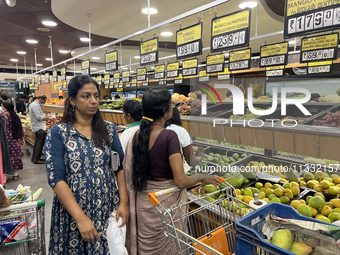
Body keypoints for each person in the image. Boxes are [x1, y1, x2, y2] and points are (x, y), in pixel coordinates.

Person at [123, 89, 220, 255]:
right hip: (165, 207)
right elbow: (180, 181)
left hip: (145, 205)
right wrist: (201, 178)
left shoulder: (138, 135)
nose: (173, 107)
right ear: (164, 110)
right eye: (171, 105)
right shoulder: (169, 136)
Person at [44, 75, 129, 255]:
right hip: (73, 212)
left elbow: (119, 168)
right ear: (72, 100)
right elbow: (56, 179)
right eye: (86, 96)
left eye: (96, 96)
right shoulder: (58, 133)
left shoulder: (108, 130)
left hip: (106, 208)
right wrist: (81, 218)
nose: (93, 101)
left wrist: (124, 203)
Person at [29, 95, 56, 164]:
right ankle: (36, 159)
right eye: (44, 101)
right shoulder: (35, 105)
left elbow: (40, 115)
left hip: (38, 126)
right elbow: (39, 117)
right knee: (39, 144)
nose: (44, 102)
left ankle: (34, 157)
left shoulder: (35, 105)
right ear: (41, 99)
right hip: (39, 127)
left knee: (37, 143)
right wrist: (50, 119)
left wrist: (48, 117)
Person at [1, 102, 25, 180]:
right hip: (15, 138)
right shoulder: (15, 116)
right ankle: (16, 175)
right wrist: (22, 138)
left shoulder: (2, 116)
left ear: (6, 108)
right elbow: (20, 128)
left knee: (5, 156)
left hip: (5, 139)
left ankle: (6, 175)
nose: (1, 107)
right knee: (15, 156)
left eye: (2, 106)